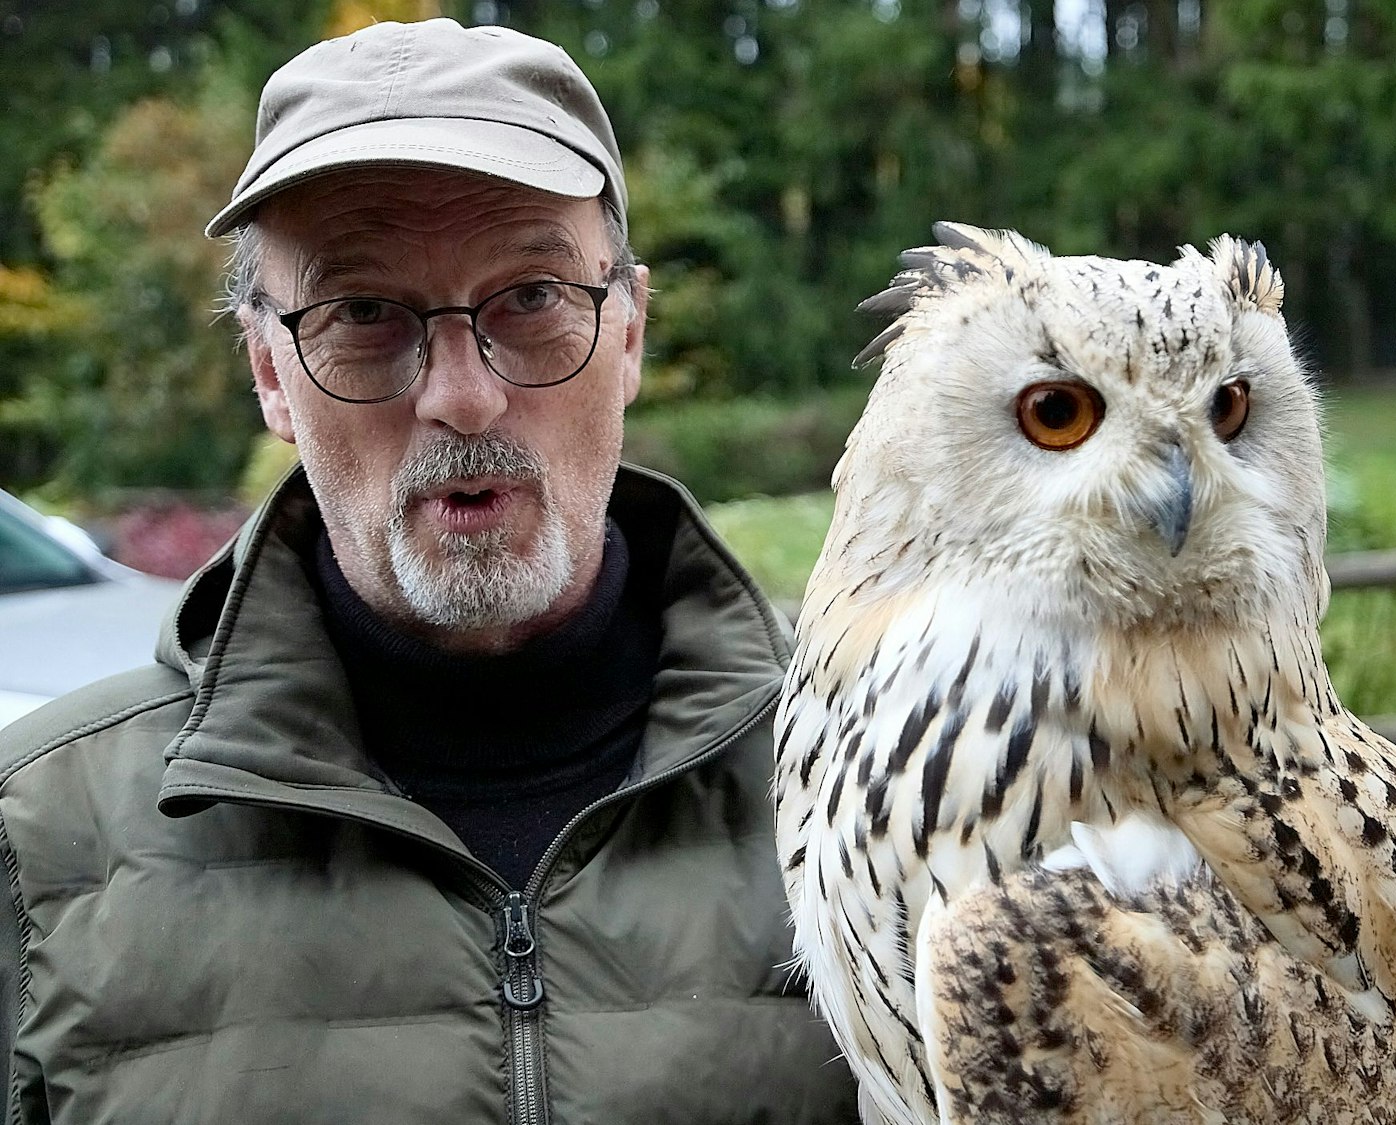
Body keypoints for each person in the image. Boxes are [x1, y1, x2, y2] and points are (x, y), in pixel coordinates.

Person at [0, 19, 859, 1123]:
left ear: (630, 331)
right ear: (269, 371)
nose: (463, 396)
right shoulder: (40, 837)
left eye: (533, 298)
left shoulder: (885, 793)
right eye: (363, 314)